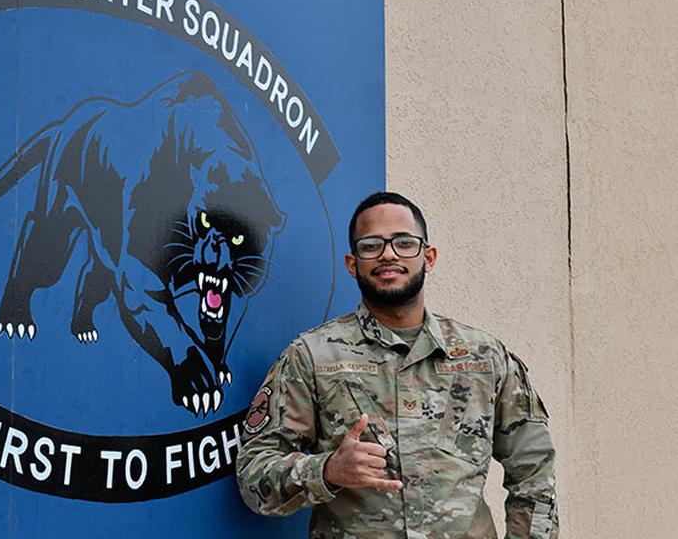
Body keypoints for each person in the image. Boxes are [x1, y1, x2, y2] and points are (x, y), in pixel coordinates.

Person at [236, 192, 557, 538]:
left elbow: (534, 472)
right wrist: (327, 470)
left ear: (428, 256)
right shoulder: (312, 357)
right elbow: (254, 475)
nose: (388, 253)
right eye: (371, 245)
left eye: (404, 242)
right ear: (352, 263)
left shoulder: (485, 358)